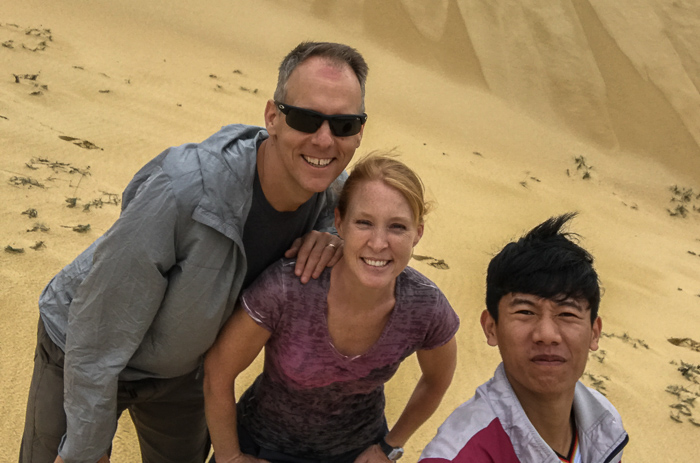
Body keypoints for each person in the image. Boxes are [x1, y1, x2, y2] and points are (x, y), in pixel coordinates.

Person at [20, 41, 369, 463]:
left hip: (183, 366)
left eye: (344, 124)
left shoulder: (331, 193)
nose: (324, 140)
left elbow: (363, 206)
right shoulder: (185, 190)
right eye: (306, 118)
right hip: (81, 346)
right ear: (273, 117)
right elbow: (99, 332)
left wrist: (334, 232)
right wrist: (83, 451)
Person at [204, 154, 460, 463]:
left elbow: (437, 380)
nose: (378, 243)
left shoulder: (425, 306)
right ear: (339, 222)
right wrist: (230, 457)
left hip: (359, 452)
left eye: (397, 227)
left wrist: (391, 446)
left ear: (417, 233)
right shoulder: (289, 287)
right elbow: (218, 371)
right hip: (264, 446)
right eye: (364, 222)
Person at [419, 213, 629, 463]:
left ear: (594, 333)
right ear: (491, 327)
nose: (547, 335)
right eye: (525, 312)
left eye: (567, 313)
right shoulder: (460, 454)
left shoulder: (604, 419)